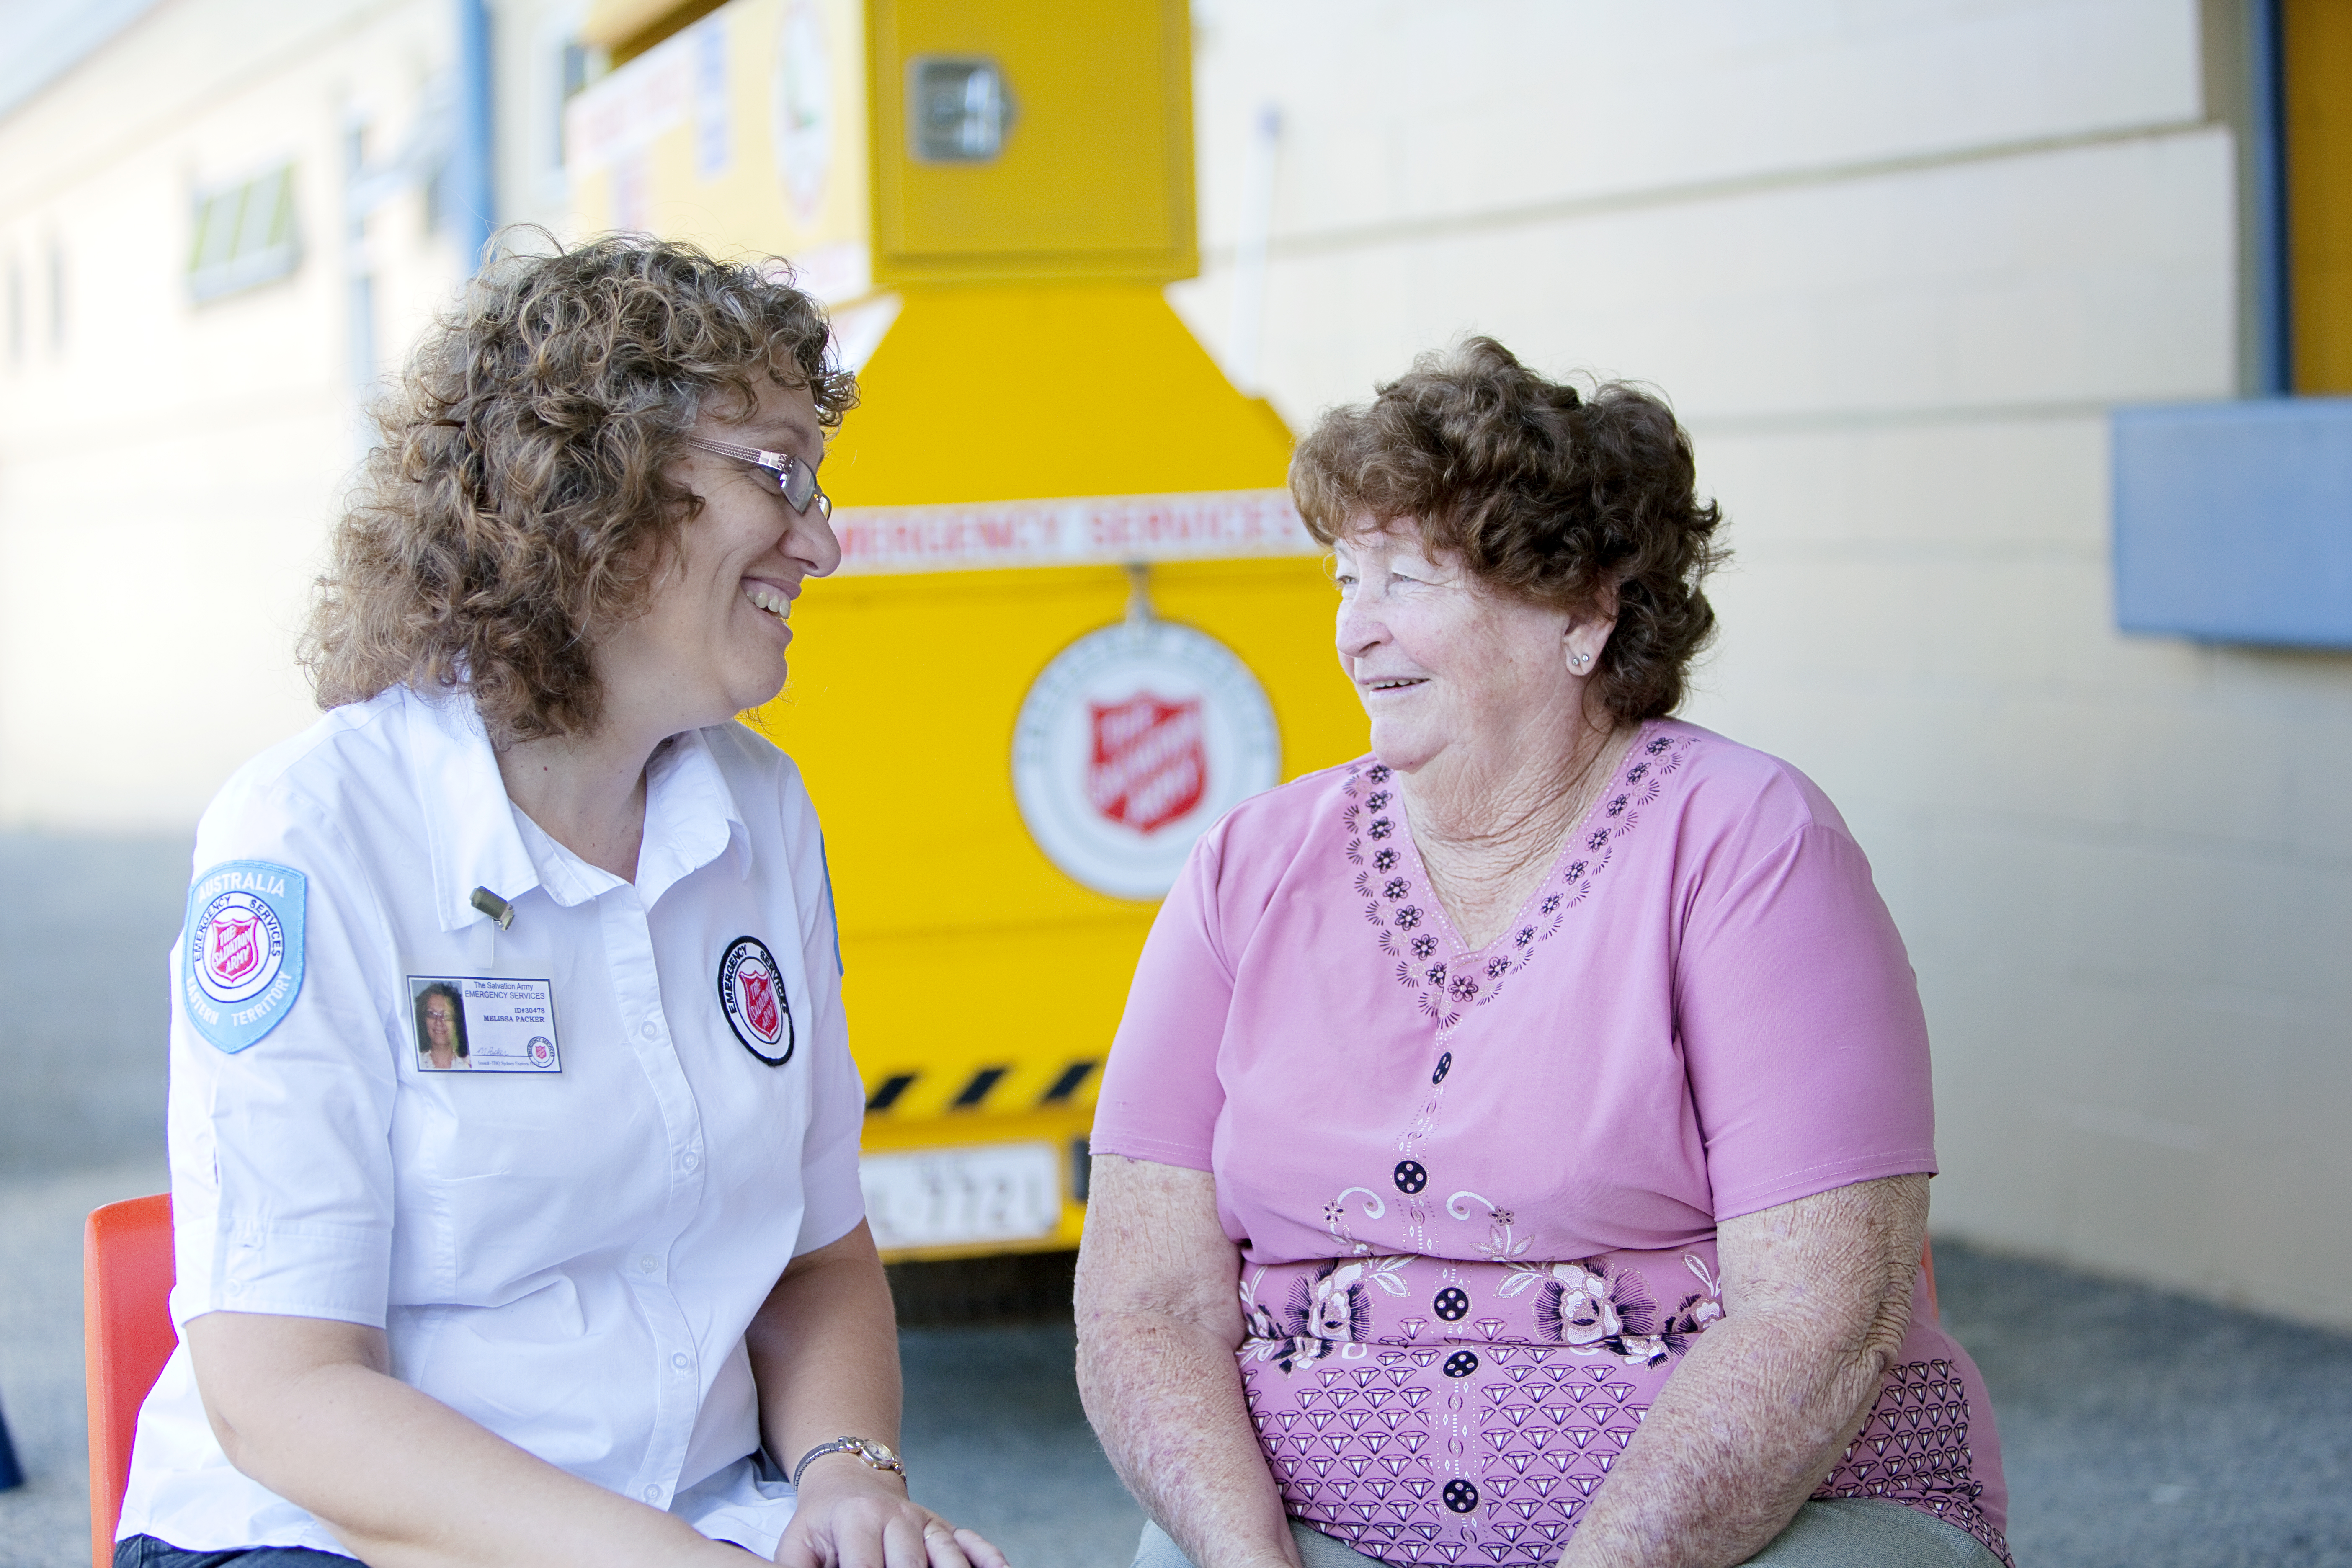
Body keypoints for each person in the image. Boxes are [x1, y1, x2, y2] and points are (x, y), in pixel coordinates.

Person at [118, 237, 1007, 1568]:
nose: (819, 539)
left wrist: (847, 1479)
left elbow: (817, 1261)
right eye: (777, 475)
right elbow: (285, 1394)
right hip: (335, 1542)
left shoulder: (760, 811)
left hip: (697, 1521)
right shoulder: (312, 836)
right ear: (594, 495)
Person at [1074, 339, 2011, 1568]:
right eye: (1344, 579)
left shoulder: (1749, 846)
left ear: (1583, 609)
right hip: (1311, 1540)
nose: (1358, 632)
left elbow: (1820, 1317)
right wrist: (1248, 1561)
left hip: (1754, 1536)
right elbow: (1146, 1301)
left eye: (1406, 579)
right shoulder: (1247, 867)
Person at [413, 981, 470, 1070]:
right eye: (432, 1014)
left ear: (457, 1022)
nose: (439, 1022)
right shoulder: (413, 1064)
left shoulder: (471, 1066)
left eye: (446, 1015)